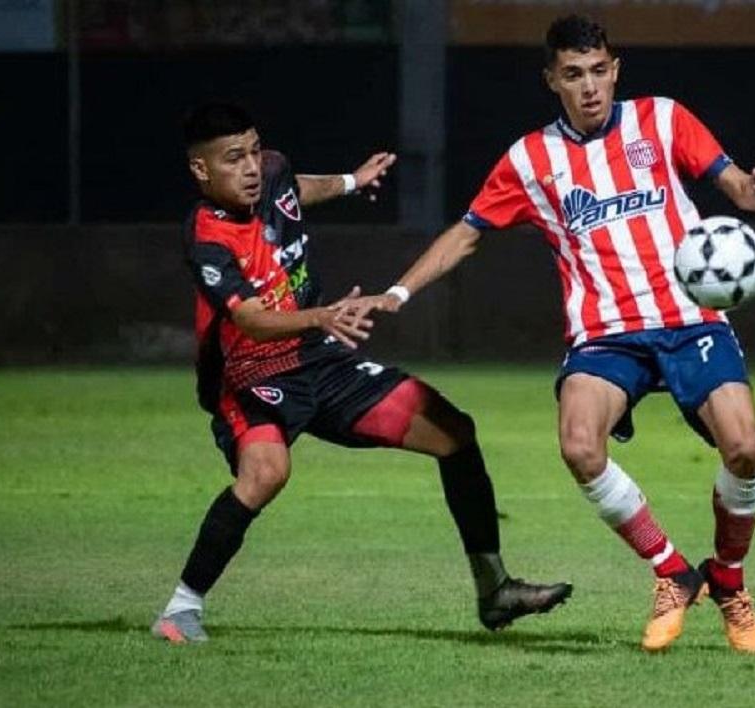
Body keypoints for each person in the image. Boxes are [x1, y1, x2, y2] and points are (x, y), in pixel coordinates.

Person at [344, 15, 755, 654]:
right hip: (605, 333)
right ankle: (670, 571)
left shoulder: (662, 120)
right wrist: (397, 291)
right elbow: (466, 233)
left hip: (690, 321)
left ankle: (730, 582)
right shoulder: (530, 160)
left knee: (744, 449)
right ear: (552, 79)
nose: (589, 87)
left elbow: (743, 190)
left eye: (599, 71)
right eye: (574, 75)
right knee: (580, 445)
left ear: (616, 69)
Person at [152, 102, 572, 644]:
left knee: (452, 431)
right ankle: (180, 610)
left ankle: (495, 591)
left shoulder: (272, 172)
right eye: (234, 158)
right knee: (265, 473)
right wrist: (322, 316)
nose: (252, 166)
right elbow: (252, 321)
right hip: (250, 375)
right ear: (201, 170)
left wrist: (352, 180)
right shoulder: (207, 238)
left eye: (255, 150)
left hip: (320, 359)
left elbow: (295, 187)